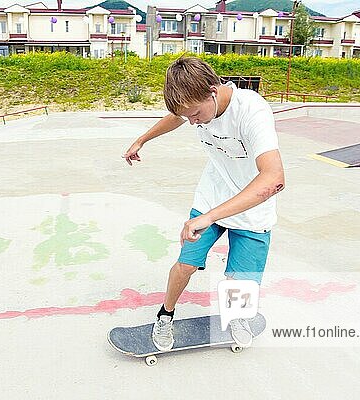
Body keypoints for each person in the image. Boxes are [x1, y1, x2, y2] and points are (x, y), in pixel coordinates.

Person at [122, 56, 284, 351]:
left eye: (196, 114)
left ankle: (237, 316)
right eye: (188, 117)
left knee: (241, 276)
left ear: (213, 90)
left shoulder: (252, 111)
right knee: (186, 263)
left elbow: (274, 178)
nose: (192, 121)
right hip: (212, 194)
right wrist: (142, 140)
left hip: (252, 206)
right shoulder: (194, 107)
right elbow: (177, 116)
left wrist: (210, 217)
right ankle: (165, 315)